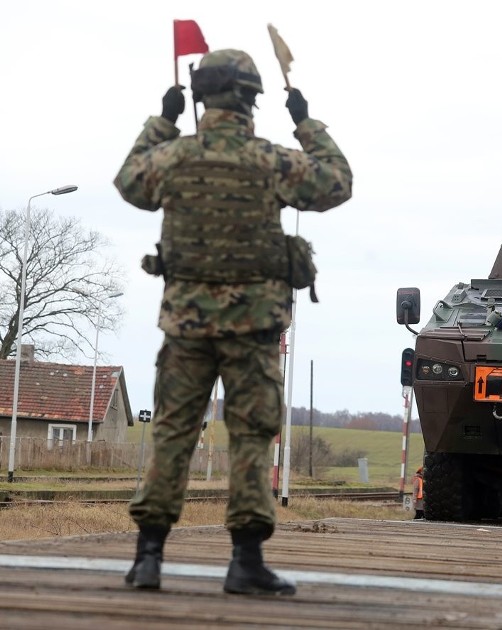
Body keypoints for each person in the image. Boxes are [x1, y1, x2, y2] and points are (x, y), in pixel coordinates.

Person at [114, 49, 352, 595]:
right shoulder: (269, 160)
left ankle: (147, 559)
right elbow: (336, 183)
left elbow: (129, 183)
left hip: (185, 326)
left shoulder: (172, 158)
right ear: (251, 99)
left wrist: (163, 119)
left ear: (200, 98)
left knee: (173, 432)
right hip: (253, 327)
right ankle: (245, 562)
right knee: (251, 435)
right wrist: (305, 121)